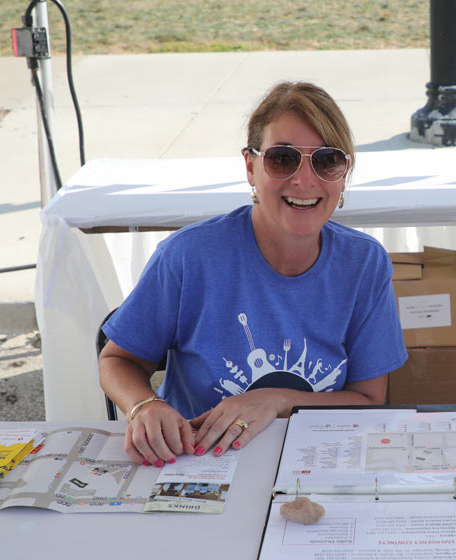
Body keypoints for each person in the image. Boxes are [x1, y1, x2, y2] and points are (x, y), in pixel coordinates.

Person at [99, 82, 408, 465]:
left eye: (327, 160)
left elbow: (369, 400)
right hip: (199, 461)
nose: (305, 180)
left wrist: (277, 399)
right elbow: (117, 360)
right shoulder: (188, 256)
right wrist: (145, 406)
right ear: (250, 166)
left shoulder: (365, 264)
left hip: (320, 461)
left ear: (344, 174)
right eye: (282, 158)